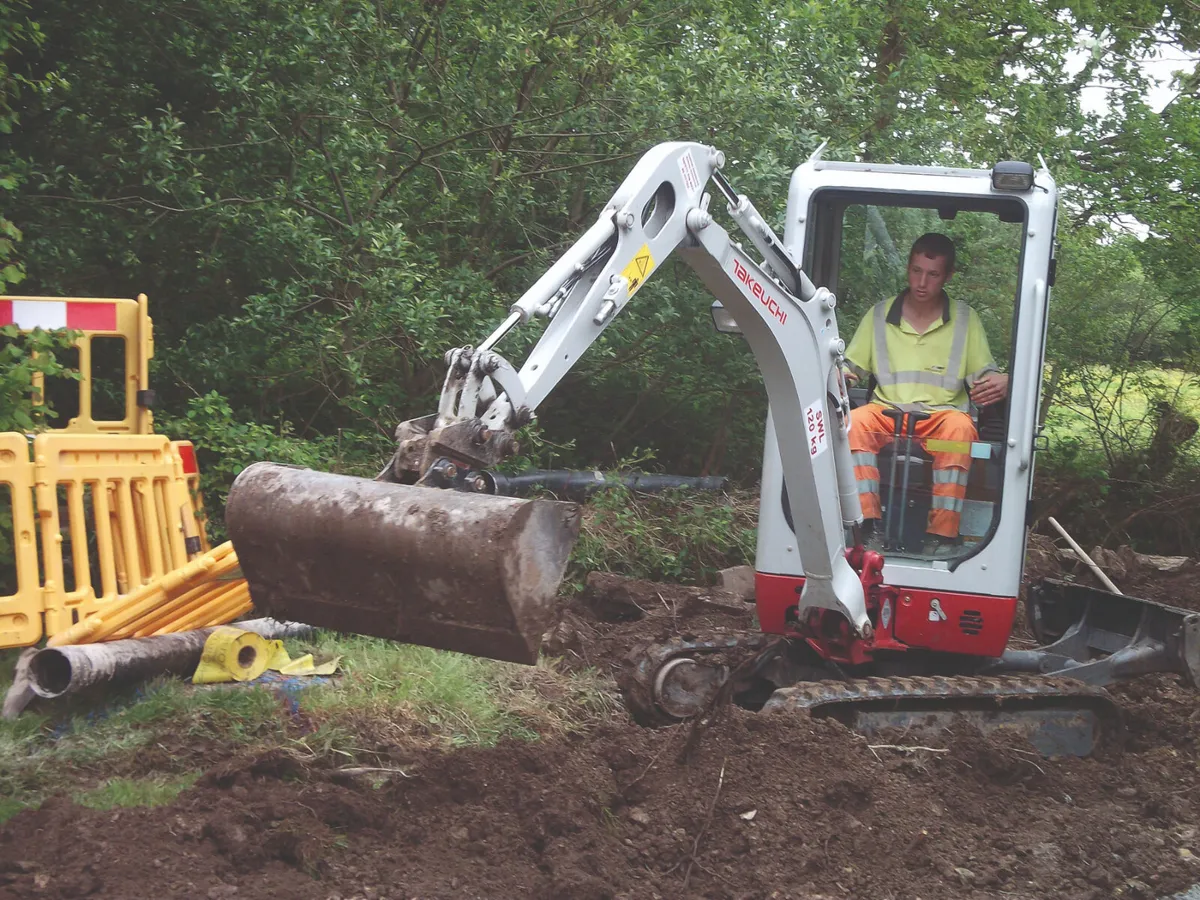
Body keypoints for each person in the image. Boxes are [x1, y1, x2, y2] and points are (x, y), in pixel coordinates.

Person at [842, 233, 1009, 555]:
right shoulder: (879, 315)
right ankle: (867, 526)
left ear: (948, 277)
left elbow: (984, 377)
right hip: (885, 414)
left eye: (932, 274)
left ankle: (942, 535)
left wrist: (1005, 380)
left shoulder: (965, 320)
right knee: (854, 423)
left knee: (960, 429)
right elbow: (850, 368)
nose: (922, 282)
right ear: (908, 268)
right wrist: (841, 378)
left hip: (940, 418)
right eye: (916, 271)